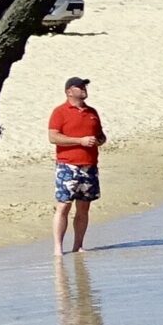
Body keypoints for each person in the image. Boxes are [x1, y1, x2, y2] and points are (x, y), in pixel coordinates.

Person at [48, 76, 106, 255]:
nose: (83, 89)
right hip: (68, 165)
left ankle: (78, 245)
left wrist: (99, 140)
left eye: (84, 86)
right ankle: (58, 247)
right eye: (79, 87)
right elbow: (53, 137)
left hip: (89, 165)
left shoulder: (92, 112)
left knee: (84, 207)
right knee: (64, 205)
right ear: (69, 91)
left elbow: (101, 136)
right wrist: (79, 141)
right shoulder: (60, 112)